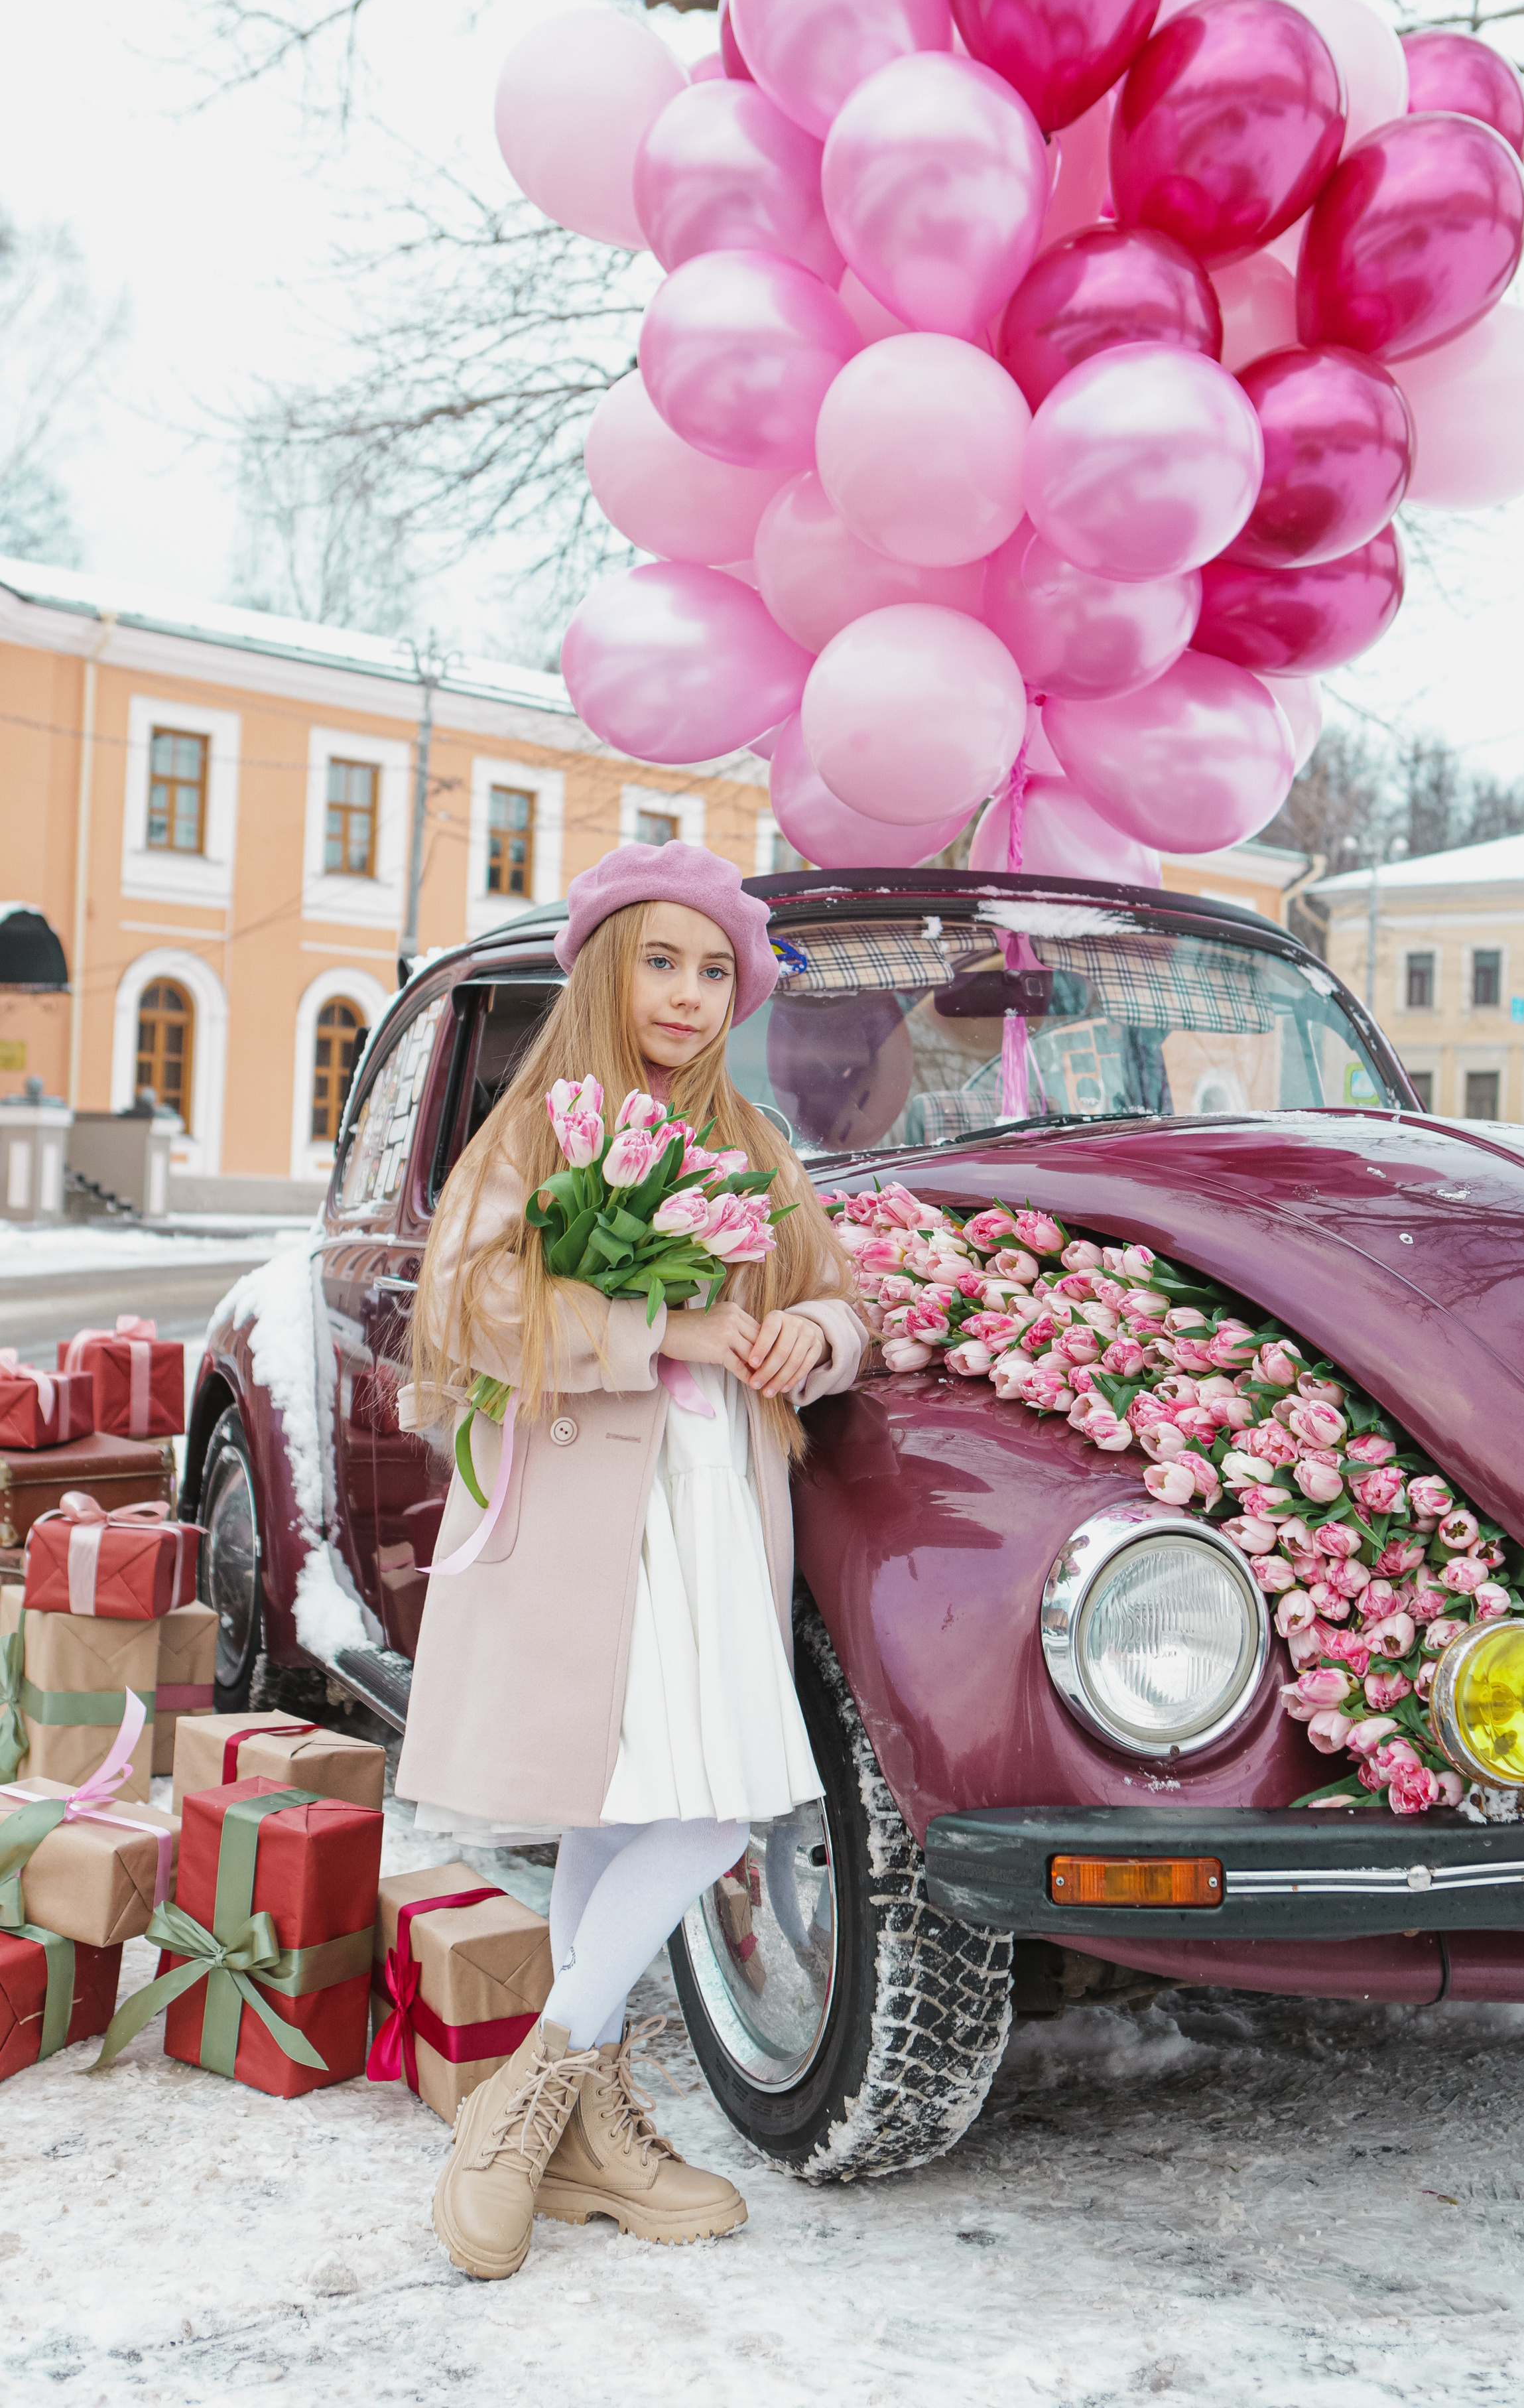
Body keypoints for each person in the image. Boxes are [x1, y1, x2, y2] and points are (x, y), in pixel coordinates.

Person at [397, 841, 865, 2281]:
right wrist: (664, 1328)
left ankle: (555, 2098)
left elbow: (840, 1302)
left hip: (716, 1512)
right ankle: (546, 2103)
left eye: (714, 969)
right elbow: (464, 1306)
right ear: (607, 970)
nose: (687, 994)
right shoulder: (538, 1130)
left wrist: (810, 1341)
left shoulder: (755, 1142)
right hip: (593, 1521)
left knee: (684, 1799)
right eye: (660, 962)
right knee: (663, 1805)